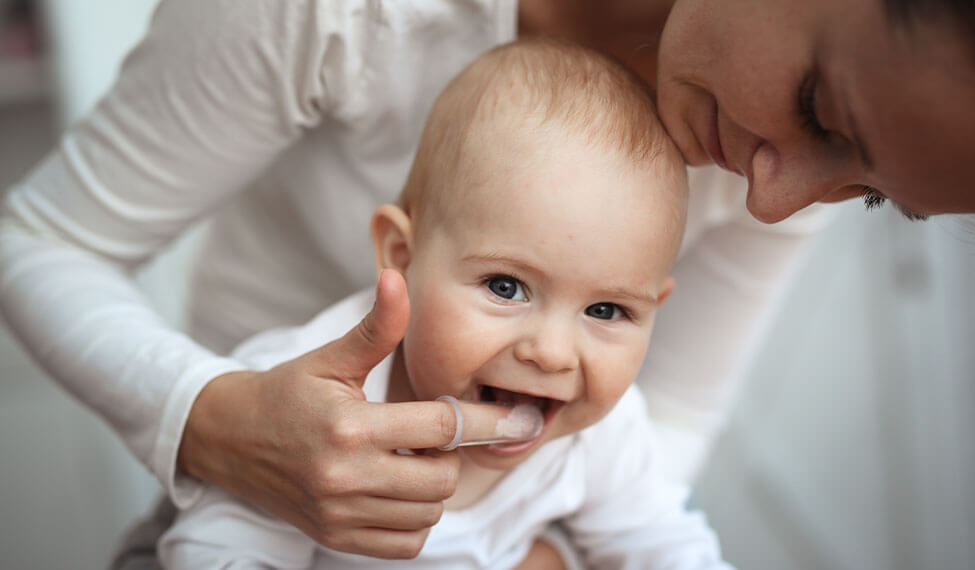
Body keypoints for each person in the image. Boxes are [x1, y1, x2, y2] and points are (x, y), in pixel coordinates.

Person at [0, 0, 975, 564]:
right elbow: (39, 241)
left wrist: (549, 559)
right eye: (819, 106)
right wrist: (217, 422)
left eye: (866, 193)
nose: (781, 203)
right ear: (394, 251)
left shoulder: (600, 433)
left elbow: (660, 458)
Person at [157, 39, 731, 569]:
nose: (553, 354)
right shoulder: (305, 404)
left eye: (606, 311)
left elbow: (661, 543)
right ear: (401, 257)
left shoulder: (602, 435)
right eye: (506, 287)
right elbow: (214, 551)